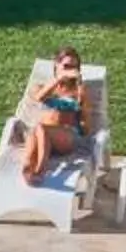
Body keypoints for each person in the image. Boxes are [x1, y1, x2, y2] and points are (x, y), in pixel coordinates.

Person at [22, 48, 92, 180]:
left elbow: (86, 128)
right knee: (35, 133)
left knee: (40, 128)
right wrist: (58, 79)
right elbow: (39, 97)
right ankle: (27, 167)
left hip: (66, 137)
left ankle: (40, 170)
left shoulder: (78, 92)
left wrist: (82, 103)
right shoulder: (42, 87)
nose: (70, 70)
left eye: (74, 67)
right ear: (56, 65)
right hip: (43, 136)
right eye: (66, 66)